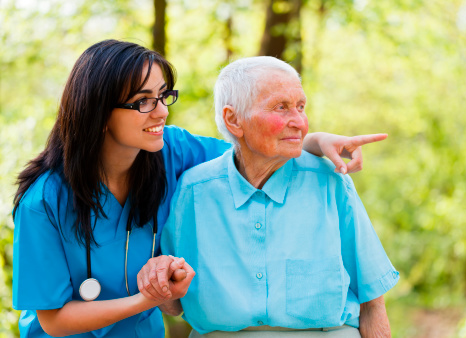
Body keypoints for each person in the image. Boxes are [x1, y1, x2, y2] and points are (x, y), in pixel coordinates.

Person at [12, 40, 384, 337]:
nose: (161, 112)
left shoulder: (169, 152)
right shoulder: (43, 202)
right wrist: (148, 299)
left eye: (163, 96)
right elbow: (55, 321)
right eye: (143, 101)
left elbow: (251, 147)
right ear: (98, 112)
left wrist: (316, 140)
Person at [159, 56, 399, 337]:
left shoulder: (331, 183)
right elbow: (173, 304)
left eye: (300, 107)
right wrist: (162, 282)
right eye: (281, 107)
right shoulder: (194, 192)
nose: (299, 121)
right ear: (233, 119)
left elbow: (372, 301)